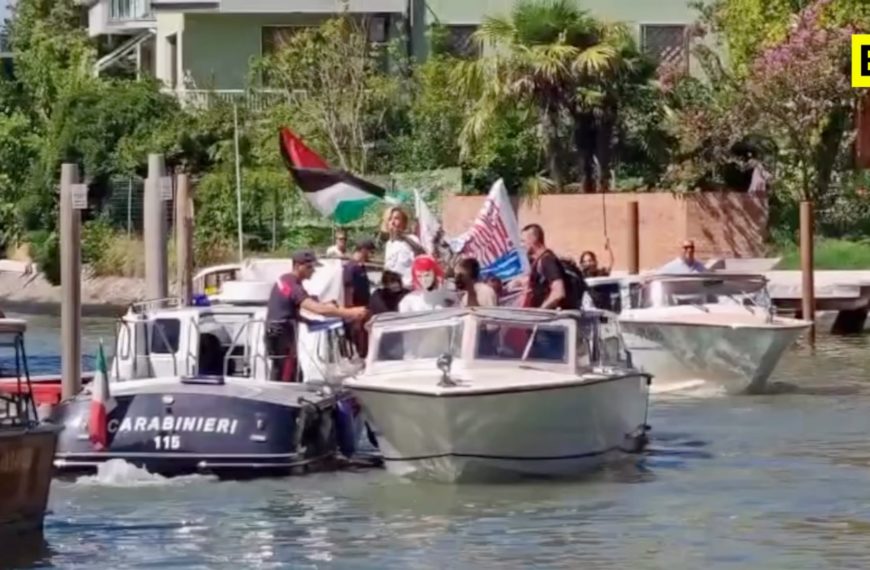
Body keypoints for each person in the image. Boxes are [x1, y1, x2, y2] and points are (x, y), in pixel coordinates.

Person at [265, 250, 368, 382]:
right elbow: (317, 309)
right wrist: (351, 312)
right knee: (286, 374)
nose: (313, 271)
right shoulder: (292, 285)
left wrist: (309, 321)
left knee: (292, 373)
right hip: (281, 333)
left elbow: (286, 309)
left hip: (281, 331)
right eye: (310, 267)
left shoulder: (287, 280)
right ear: (298, 266)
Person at [520, 224, 576, 309]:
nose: (522, 245)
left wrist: (540, 312)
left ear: (533, 239)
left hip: (549, 316)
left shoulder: (547, 260)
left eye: (523, 241)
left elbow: (558, 292)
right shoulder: (539, 261)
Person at [342, 239, 375, 357]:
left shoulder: (361, 267)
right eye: (370, 251)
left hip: (363, 307)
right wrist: (351, 312)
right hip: (356, 309)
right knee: (358, 337)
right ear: (363, 250)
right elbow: (348, 290)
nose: (370, 255)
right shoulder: (351, 268)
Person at [383, 207, 425, 288]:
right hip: (392, 289)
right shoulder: (388, 244)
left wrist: (403, 237)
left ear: (403, 223)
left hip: (408, 288)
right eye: (390, 219)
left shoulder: (412, 239)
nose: (393, 222)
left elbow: (422, 256)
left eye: (396, 218)